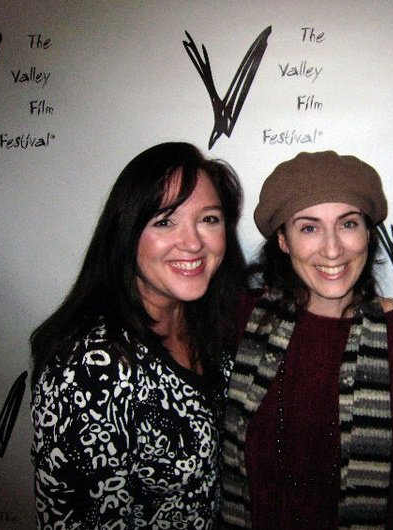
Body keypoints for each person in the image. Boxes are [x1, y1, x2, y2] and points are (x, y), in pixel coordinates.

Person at [30, 142, 246, 529]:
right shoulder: (92, 368)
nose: (193, 243)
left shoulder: (208, 321)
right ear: (127, 233)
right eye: (165, 221)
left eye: (209, 219)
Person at [221, 151, 393, 529]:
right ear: (283, 240)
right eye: (308, 228)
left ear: (368, 233)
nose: (332, 250)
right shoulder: (241, 319)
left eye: (348, 224)